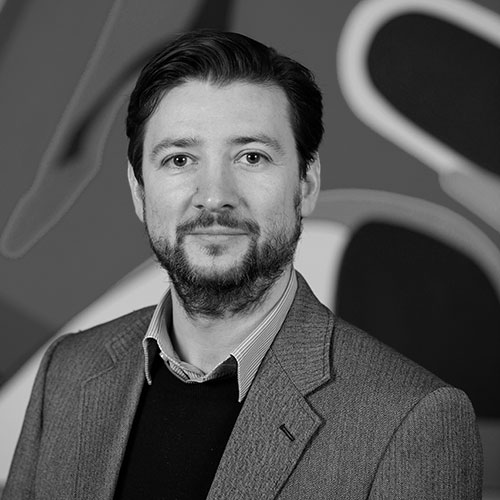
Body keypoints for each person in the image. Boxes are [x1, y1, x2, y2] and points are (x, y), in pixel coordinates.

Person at [4, 30, 482, 500]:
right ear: (139, 190)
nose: (214, 196)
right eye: (180, 159)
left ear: (306, 185)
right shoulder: (67, 372)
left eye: (251, 157)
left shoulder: (413, 420)